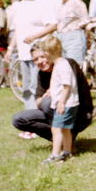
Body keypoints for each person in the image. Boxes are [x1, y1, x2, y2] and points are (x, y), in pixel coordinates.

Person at [12, 41, 93, 143]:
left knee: (47, 103)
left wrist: (52, 92)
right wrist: (45, 96)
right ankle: (61, 140)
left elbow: (69, 88)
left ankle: (67, 137)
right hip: (55, 112)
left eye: (42, 57)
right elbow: (37, 102)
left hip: (79, 113)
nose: (40, 61)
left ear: (48, 54)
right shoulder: (41, 74)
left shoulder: (67, 64)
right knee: (18, 119)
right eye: (35, 59)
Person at [5, 0, 57, 110]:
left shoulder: (44, 1)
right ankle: (30, 118)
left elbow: (53, 25)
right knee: (27, 88)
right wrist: (10, 49)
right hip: (23, 54)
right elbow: (18, 30)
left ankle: (39, 118)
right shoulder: (20, 5)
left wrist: (35, 36)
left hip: (40, 54)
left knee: (37, 87)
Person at [35, 36, 79, 164]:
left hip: (66, 103)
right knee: (65, 129)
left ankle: (55, 155)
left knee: (56, 129)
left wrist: (61, 102)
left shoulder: (62, 65)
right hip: (66, 103)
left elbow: (67, 85)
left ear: (48, 53)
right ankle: (67, 152)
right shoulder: (59, 64)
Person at [51, 0, 89, 64]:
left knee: (73, 66)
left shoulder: (77, 3)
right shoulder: (60, 5)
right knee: (63, 66)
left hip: (74, 38)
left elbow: (86, 20)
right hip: (60, 38)